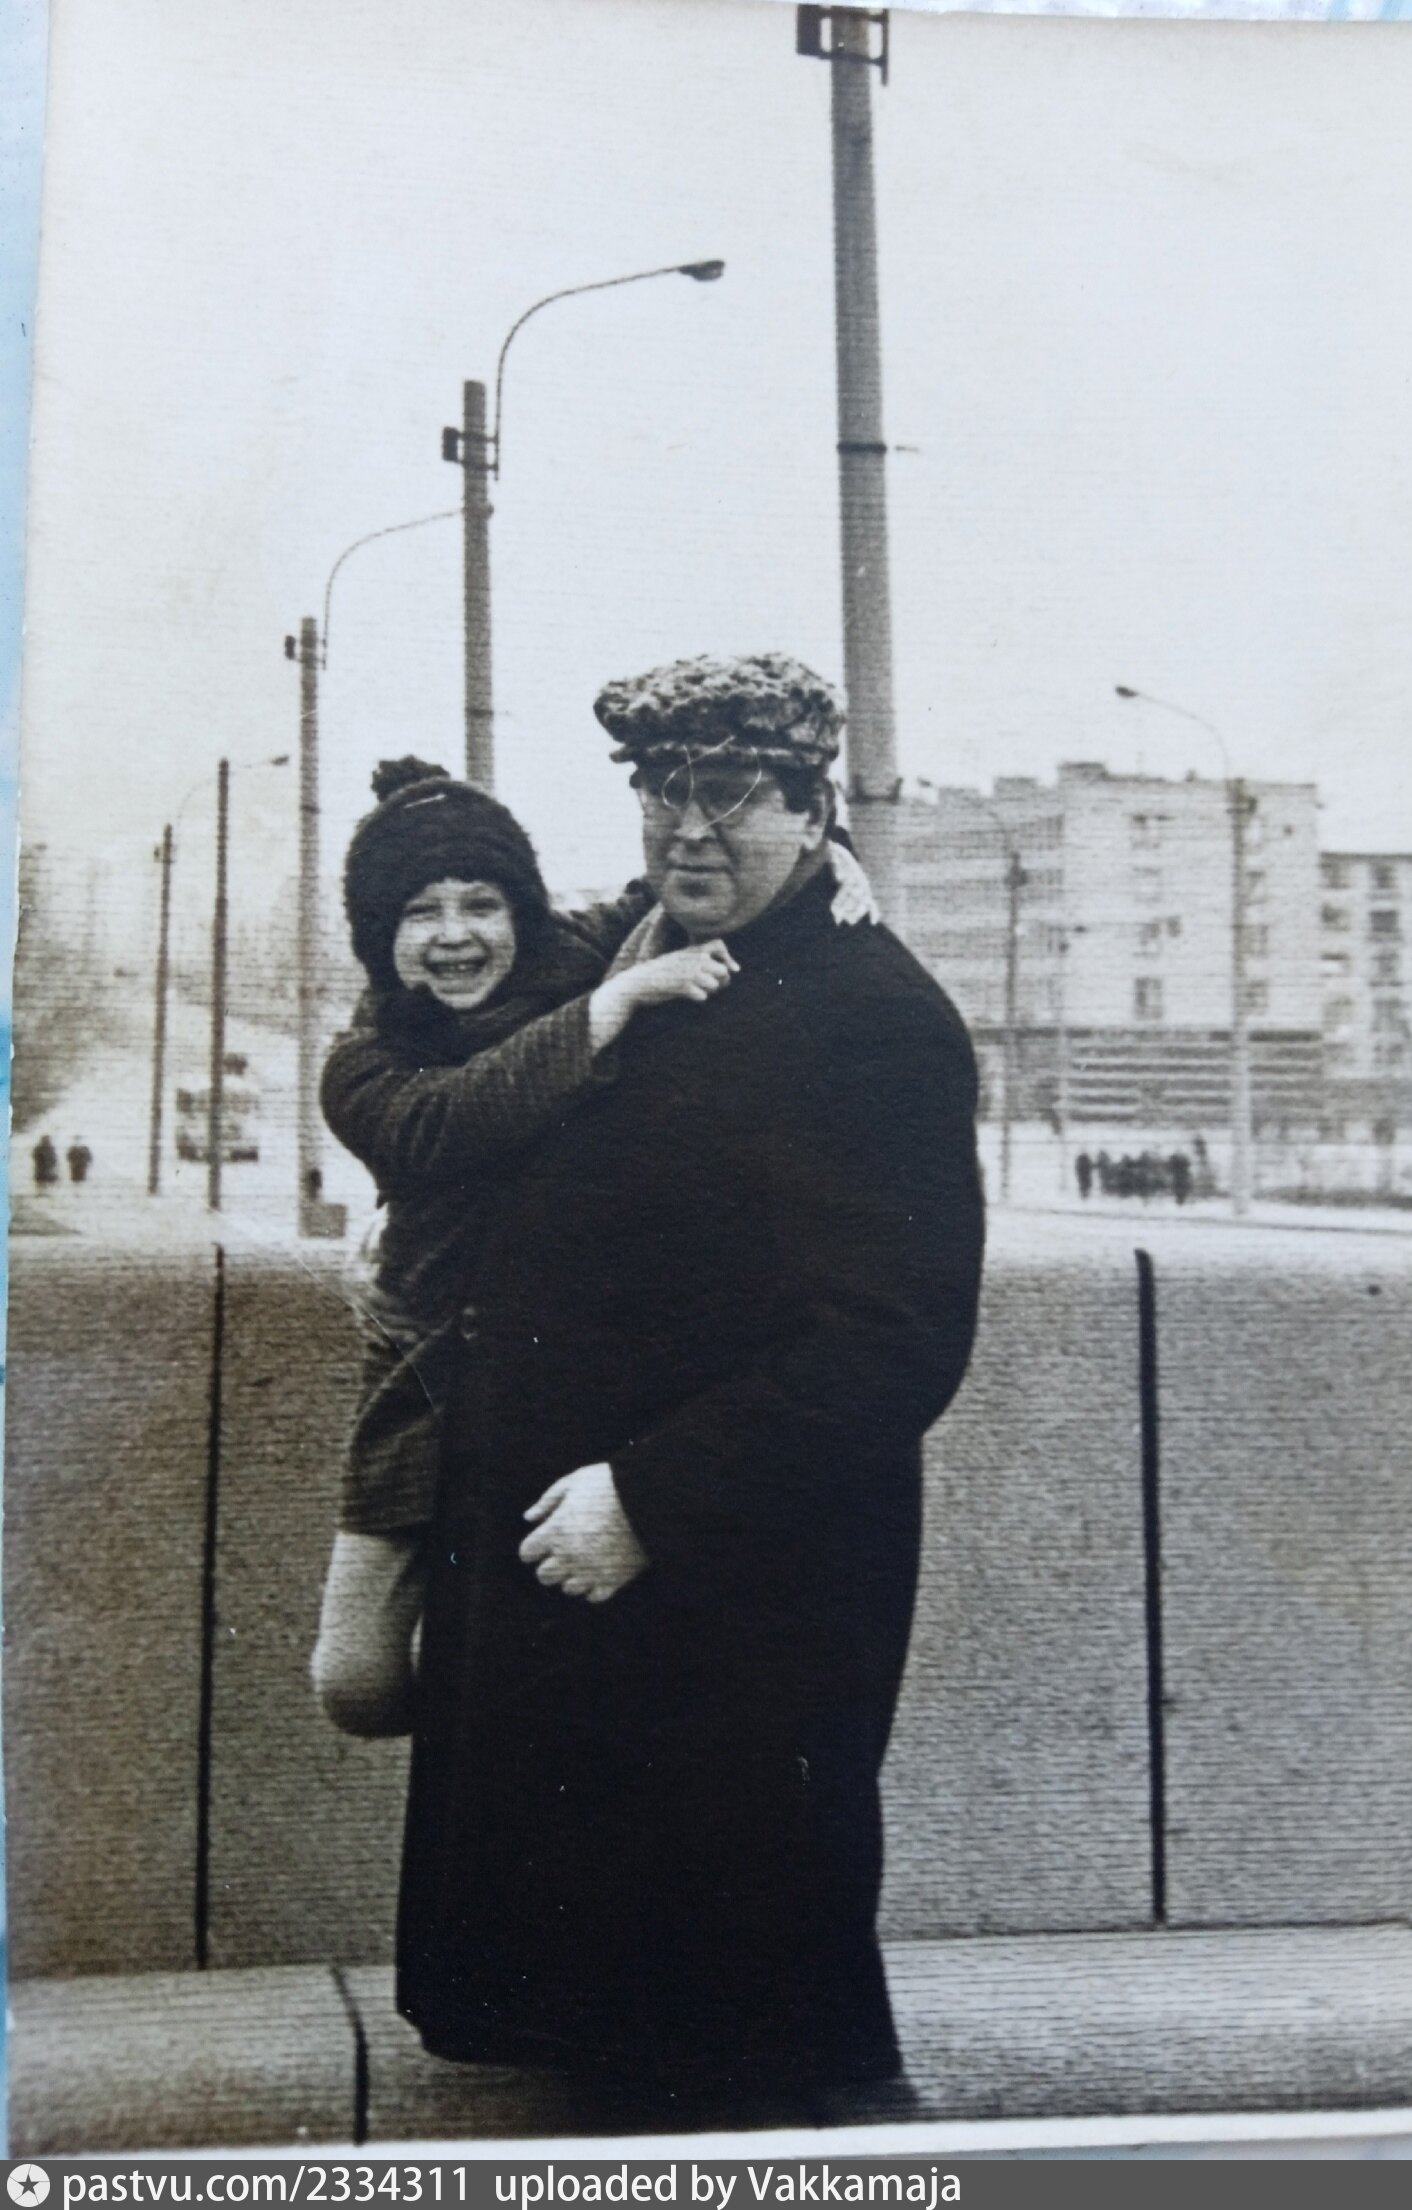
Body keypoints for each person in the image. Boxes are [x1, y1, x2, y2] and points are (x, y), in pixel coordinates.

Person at [397, 653, 985, 2128]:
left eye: (731, 793)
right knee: (622, 2020)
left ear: (812, 809)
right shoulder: (636, 957)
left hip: (731, 1592)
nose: (690, 826)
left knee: (746, 2033)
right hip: (602, 1588)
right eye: (664, 791)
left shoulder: (873, 1012)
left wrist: (653, 1497)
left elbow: (895, 1336)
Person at [313, 756, 875, 1737]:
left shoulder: (570, 953)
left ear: (522, 909)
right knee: (355, 1681)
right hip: (417, 1376)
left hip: (545, 1374)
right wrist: (616, 1006)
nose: (454, 935)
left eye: (481, 903)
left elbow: (698, 877)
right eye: (418, 913)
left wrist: (830, 856)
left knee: (527, 1659)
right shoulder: (362, 1063)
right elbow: (450, 1122)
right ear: (376, 934)